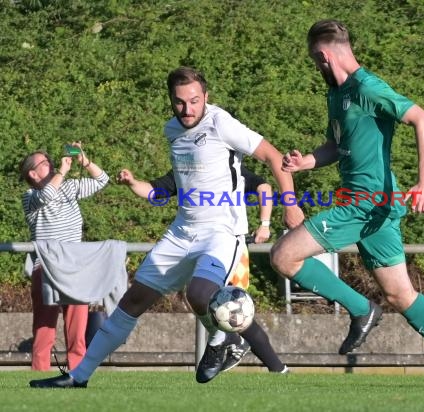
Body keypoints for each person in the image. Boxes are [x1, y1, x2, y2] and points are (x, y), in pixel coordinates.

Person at [29, 66, 304, 389]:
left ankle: (225, 339)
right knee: (132, 301)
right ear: (171, 101)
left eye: (195, 101)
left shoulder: (221, 123)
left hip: (221, 232)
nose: (188, 109)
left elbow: (273, 156)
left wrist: (291, 204)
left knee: (199, 293)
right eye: (180, 102)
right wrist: (138, 184)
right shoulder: (172, 130)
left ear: (206, 97)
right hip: (181, 231)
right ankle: (79, 376)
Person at [270, 19, 424, 392]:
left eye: (314, 61)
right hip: (377, 208)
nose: (315, 67)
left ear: (324, 55)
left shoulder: (369, 87)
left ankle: (360, 309)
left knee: (283, 257)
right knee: (399, 295)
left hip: (365, 205)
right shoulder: (338, 94)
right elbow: (336, 146)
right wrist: (306, 161)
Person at [115, 165, 286, 374]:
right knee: (215, 305)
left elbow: (264, 188)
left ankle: (260, 358)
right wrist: (132, 183)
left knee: (229, 309)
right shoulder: (186, 169)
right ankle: (264, 360)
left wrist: (265, 224)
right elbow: (153, 190)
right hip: (199, 249)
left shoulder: (228, 167)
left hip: (228, 248)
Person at [19, 144, 109, 371]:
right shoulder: (30, 196)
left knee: (77, 327)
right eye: (44, 162)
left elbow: (102, 180)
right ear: (33, 173)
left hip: (75, 267)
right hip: (46, 268)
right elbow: (47, 195)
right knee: (44, 326)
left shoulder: (68, 187)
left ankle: (77, 372)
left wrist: (85, 161)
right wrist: (61, 172)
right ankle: (40, 371)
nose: (50, 162)